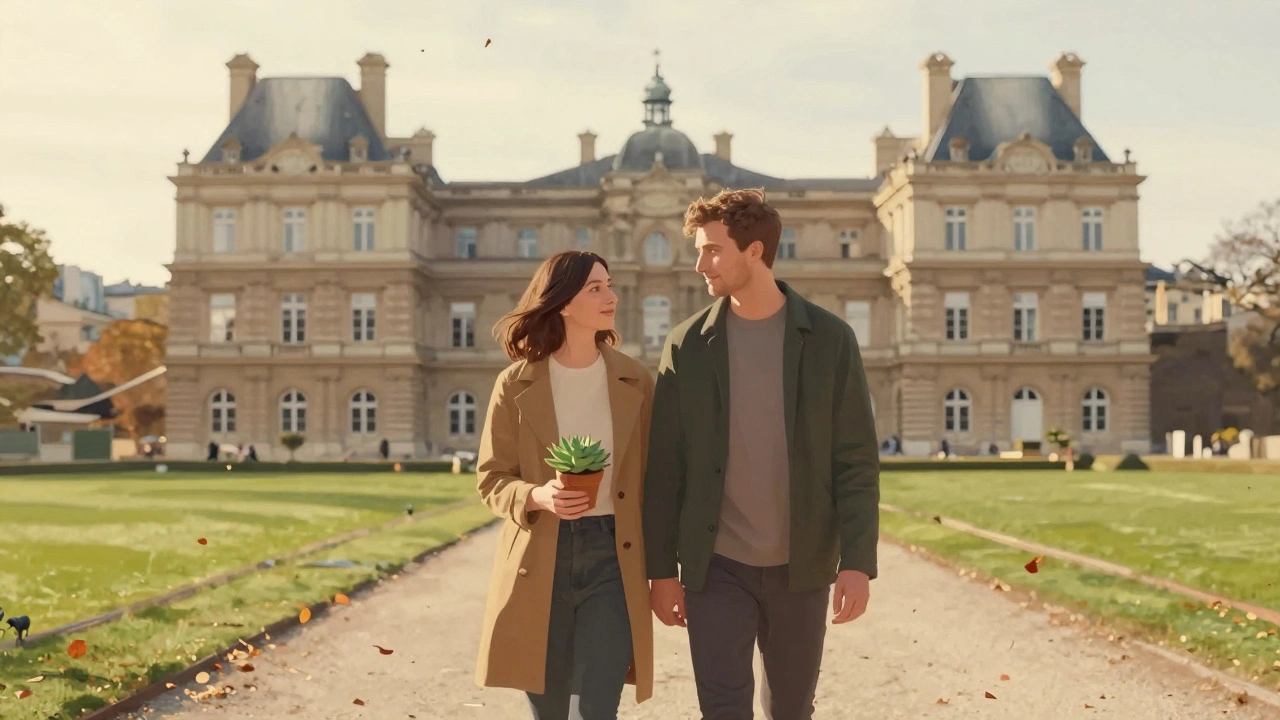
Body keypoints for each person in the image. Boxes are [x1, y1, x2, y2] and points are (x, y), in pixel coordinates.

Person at [643, 188, 881, 719]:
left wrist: (858, 562)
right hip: (717, 564)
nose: (699, 263)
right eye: (699, 250)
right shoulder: (686, 345)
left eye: (712, 250)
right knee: (723, 708)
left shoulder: (830, 340)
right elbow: (665, 469)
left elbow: (856, 461)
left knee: (791, 709)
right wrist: (661, 570)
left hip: (803, 563)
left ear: (754, 252)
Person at [475, 251, 656, 719]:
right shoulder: (514, 384)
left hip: (615, 557)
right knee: (550, 709)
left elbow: (657, 479)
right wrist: (538, 495)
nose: (611, 296)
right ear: (562, 303)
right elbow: (492, 478)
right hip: (541, 554)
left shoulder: (636, 379)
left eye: (609, 285)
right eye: (595, 288)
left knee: (597, 709)